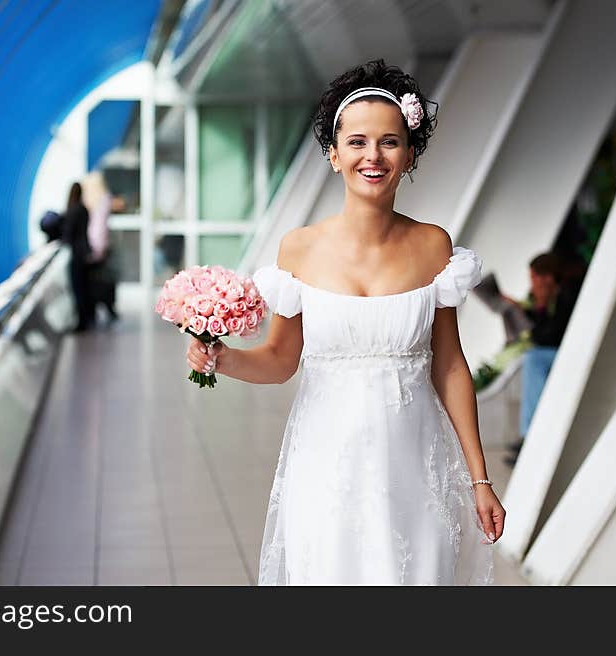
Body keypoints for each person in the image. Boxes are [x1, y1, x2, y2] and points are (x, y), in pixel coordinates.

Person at [185, 59, 502, 585]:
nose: (372, 156)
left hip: (415, 468)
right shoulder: (299, 250)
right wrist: (220, 358)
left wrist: (480, 479)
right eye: (356, 142)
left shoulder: (434, 246)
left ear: (409, 154)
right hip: (326, 469)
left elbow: (449, 366)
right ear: (333, 154)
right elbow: (280, 360)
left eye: (389, 142)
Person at [501, 252, 580, 465]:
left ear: (548, 277)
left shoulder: (567, 296)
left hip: (567, 354)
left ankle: (530, 436)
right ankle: (529, 434)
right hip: (554, 352)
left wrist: (539, 307)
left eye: (535, 277)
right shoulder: (548, 296)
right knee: (532, 358)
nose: (532, 282)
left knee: (533, 359)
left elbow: (549, 336)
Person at [61, 181, 94, 332]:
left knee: (78, 288)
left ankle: (81, 321)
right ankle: (88, 317)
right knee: (86, 287)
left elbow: (68, 234)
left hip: (77, 254)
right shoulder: (84, 209)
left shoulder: (73, 210)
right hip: (86, 251)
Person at [86, 190, 120, 325]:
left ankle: (103, 309)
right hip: (99, 250)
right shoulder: (102, 203)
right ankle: (108, 308)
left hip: (95, 251)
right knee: (102, 282)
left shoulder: (97, 203)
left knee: (99, 282)